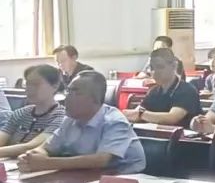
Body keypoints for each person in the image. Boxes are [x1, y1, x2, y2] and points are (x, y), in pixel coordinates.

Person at [18, 71, 146, 174]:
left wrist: (46, 163)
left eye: (76, 92)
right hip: (85, 177)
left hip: (124, 182)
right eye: (68, 91)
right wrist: (31, 157)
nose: (67, 97)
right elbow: (46, 148)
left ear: (95, 99)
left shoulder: (114, 121)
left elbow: (101, 160)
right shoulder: (69, 120)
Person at [0, 64, 66, 160]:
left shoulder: (61, 116)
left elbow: (31, 146)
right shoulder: (20, 113)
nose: (29, 89)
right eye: (27, 84)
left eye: (36, 84)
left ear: (55, 86)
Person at [124, 49, 202, 127]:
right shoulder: (154, 91)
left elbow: (172, 118)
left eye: (159, 67)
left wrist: (141, 114)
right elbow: (136, 113)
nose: (154, 72)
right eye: (152, 68)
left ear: (173, 66)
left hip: (182, 134)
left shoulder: (187, 90)